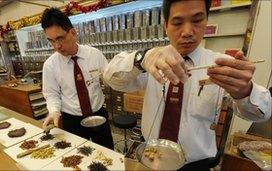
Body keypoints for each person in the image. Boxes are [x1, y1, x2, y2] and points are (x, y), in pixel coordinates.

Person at [103, 0, 271, 170]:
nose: (188, 32)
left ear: (207, 20)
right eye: (177, 22)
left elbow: (262, 115)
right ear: (165, 26)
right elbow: (111, 78)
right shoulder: (153, 62)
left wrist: (244, 91)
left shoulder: (221, 65)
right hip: (152, 155)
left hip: (196, 164)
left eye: (197, 20)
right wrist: (142, 58)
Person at [41, 8, 114, 149]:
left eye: (60, 38)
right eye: (51, 41)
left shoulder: (94, 55)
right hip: (72, 120)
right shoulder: (50, 65)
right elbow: (51, 94)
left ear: (73, 33)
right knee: (78, 157)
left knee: (107, 152)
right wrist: (54, 111)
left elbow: (109, 79)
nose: (57, 46)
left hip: (98, 114)